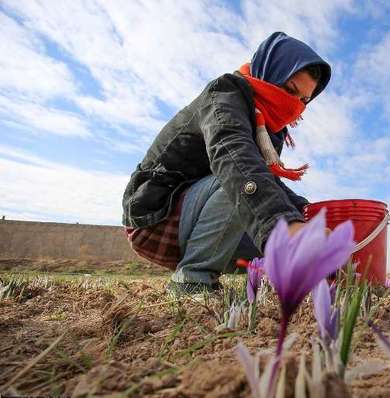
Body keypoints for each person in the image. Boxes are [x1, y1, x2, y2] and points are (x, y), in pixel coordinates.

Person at [121, 32, 331, 296]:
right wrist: (288, 225)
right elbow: (234, 158)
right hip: (156, 217)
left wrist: (305, 214)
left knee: (272, 234)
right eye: (289, 90)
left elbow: (267, 181)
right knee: (240, 179)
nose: (294, 105)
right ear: (269, 72)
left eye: (303, 101)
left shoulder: (268, 129)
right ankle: (192, 279)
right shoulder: (225, 95)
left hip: (204, 215)